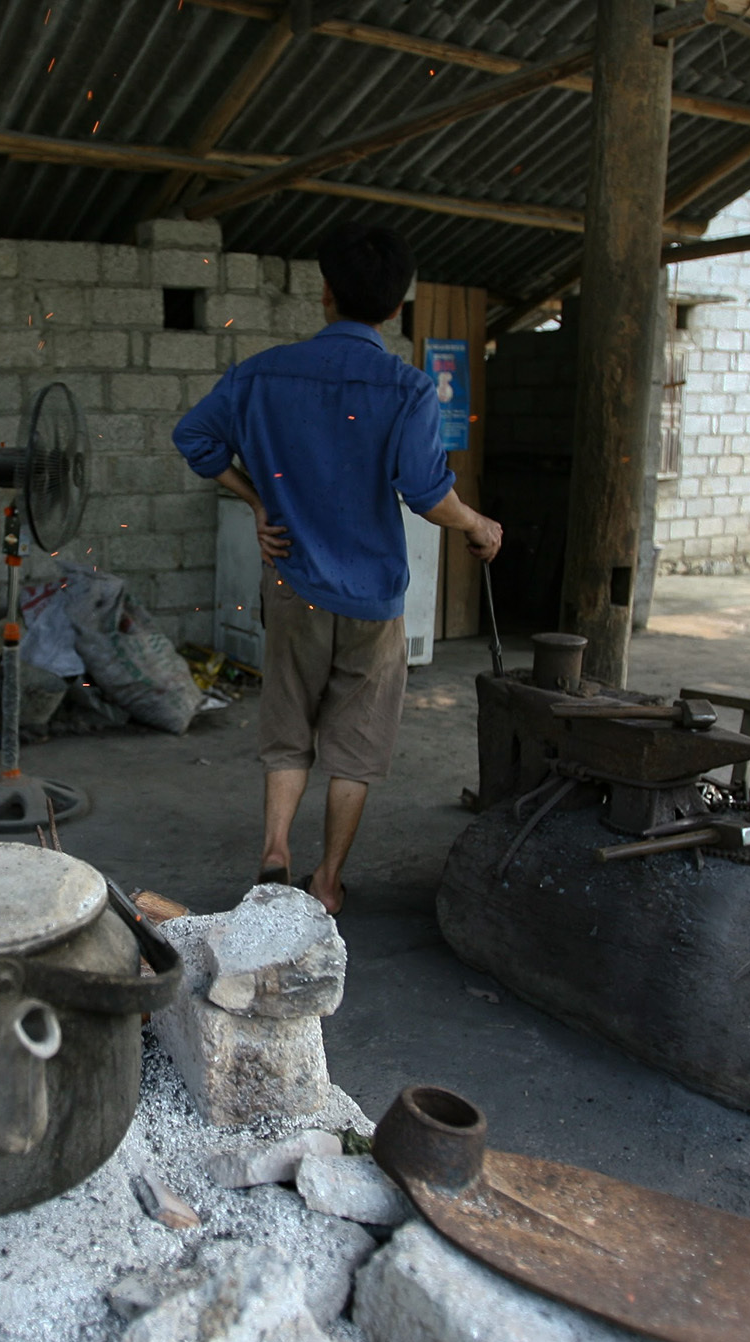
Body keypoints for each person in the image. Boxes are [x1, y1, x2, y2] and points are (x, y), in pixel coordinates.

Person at [172, 223, 502, 915]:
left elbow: (193, 438)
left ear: (325, 295)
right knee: (354, 746)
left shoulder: (261, 373)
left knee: (287, 727)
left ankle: (273, 854)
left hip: (292, 582)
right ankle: (326, 882)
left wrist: (257, 498)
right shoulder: (407, 388)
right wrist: (476, 524)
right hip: (373, 597)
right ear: (393, 309)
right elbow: (425, 492)